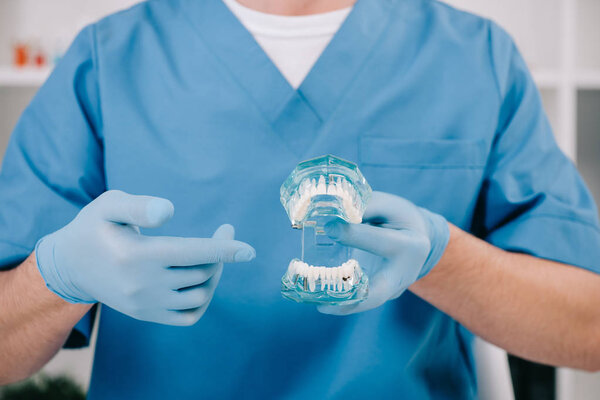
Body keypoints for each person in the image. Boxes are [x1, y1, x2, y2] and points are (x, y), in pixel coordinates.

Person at [1, 0, 600, 398]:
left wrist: (443, 259)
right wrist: (57, 277)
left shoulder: (474, 57)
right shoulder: (110, 59)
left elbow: (587, 330)